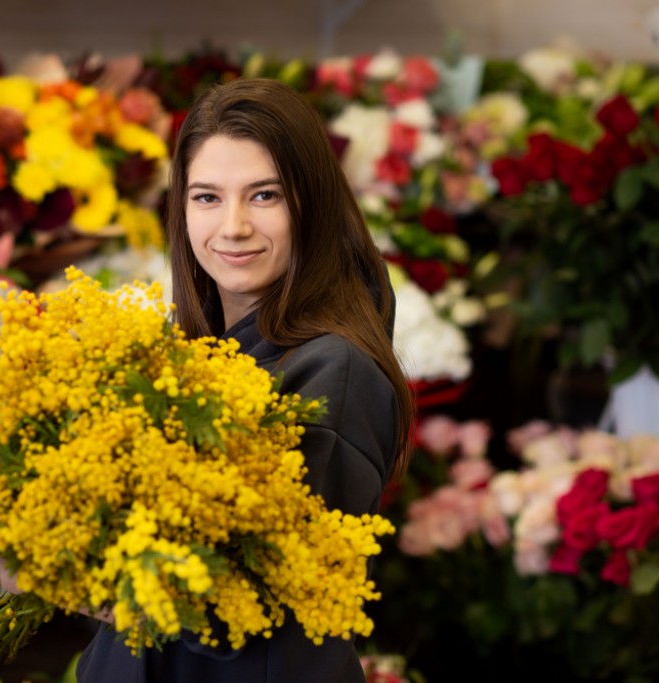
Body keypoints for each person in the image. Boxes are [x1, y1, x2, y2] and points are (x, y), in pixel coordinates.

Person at [75, 77, 415, 683]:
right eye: (207, 197)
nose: (231, 226)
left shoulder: (333, 375)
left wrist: (58, 569)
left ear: (312, 202)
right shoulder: (206, 353)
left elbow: (248, 608)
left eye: (264, 196)